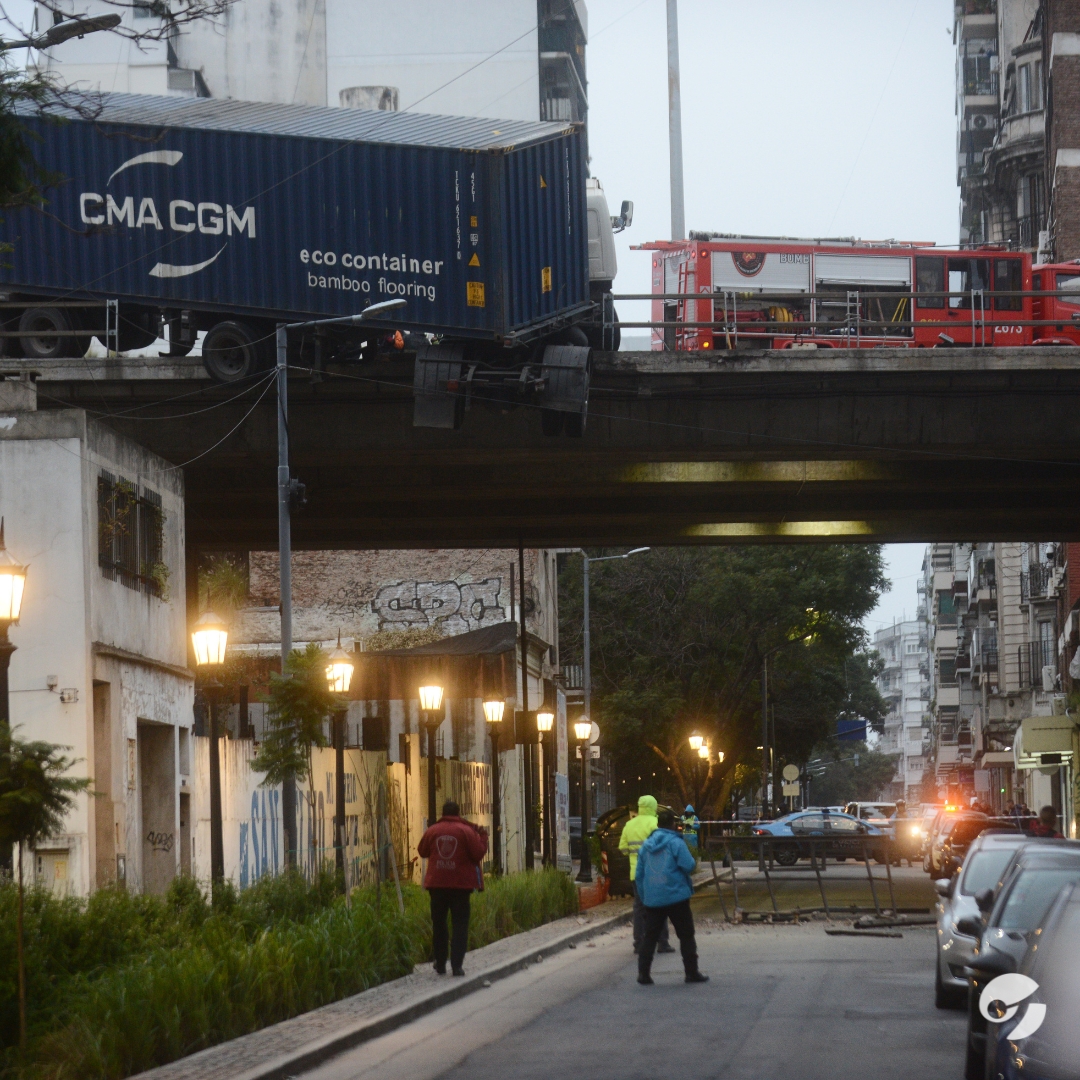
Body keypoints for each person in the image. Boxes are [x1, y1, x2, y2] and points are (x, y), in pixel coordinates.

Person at [636, 809, 709, 986]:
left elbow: (639, 875)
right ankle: (691, 972)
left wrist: (645, 897)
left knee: (650, 936)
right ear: (672, 824)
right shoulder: (676, 843)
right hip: (676, 896)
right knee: (686, 934)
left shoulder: (645, 846)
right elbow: (689, 865)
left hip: (653, 899)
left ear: (658, 824)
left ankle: (643, 974)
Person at [416, 800, 488, 976]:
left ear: (442, 813)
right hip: (460, 887)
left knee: (439, 925)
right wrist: (484, 837)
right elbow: (478, 852)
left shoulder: (432, 831)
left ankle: (440, 964)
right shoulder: (466, 831)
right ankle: (457, 966)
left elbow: (422, 851)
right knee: (460, 925)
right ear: (458, 814)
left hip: (437, 887)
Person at [618, 795, 674, 954]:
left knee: (639, 907)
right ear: (654, 807)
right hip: (655, 872)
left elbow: (623, 848)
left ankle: (639, 943)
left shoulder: (629, 825)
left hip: (636, 873)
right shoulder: (655, 823)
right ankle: (662, 943)